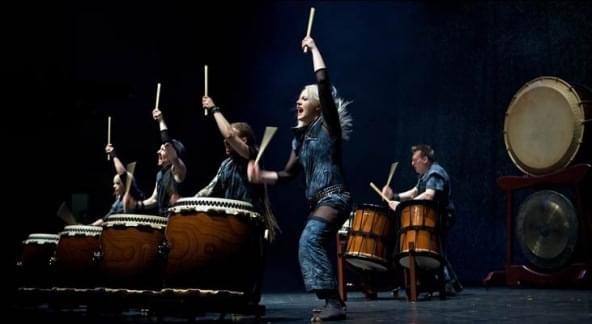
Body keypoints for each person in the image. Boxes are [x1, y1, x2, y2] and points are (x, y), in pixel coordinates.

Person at [248, 36, 352, 321]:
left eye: (304, 98)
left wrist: (315, 48)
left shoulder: (327, 125)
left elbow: (322, 82)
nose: (298, 101)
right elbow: (287, 174)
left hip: (335, 195)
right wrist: (262, 176)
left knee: (309, 240)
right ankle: (333, 300)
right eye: (298, 98)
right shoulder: (301, 139)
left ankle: (334, 303)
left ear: (318, 106)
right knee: (311, 241)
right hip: (318, 200)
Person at [381, 144, 462, 296]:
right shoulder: (425, 175)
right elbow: (414, 192)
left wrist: (401, 206)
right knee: (438, 250)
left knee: (436, 250)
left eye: (415, 160)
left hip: (442, 216)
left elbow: (429, 195)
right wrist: (394, 196)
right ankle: (449, 284)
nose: (412, 163)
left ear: (425, 159)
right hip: (431, 216)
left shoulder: (435, 172)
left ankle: (447, 283)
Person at [196, 96, 279, 240]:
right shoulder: (226, 164)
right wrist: (188, 203)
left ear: (244, 140)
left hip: (249, 223)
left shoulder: (253, 155)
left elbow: (229, 134)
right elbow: (209, 189)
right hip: (231, 223)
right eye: (225, 141)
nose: (225, 141)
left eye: (230, 141)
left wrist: (214, 108)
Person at [125, 108, 187, 216]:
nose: (158, 151)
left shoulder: (178, 169)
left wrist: (161, 120)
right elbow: (154, 199)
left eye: (162, 150)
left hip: (178, 222)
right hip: (164, 221)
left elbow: (167, 144)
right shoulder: (159, 174)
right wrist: (136, 204)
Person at [91, 144, 145, 225]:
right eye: (114, 183)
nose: (114, 186)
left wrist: (114, 156)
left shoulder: (133, 195)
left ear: (125, 184)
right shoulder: (117, 201)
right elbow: (105, 219)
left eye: (117, 183)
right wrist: (90, 227)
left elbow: (123, 175)